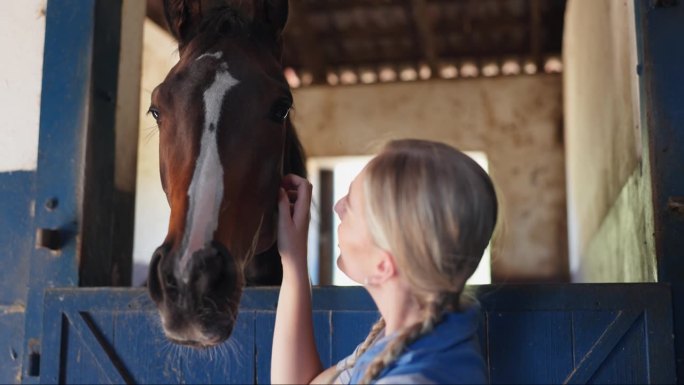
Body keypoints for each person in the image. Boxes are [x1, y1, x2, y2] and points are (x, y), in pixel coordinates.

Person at [271, 139, 498, 384]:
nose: (338, 207)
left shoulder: (409, 377)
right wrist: (294, 258)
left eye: (351, 206)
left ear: (382, 265)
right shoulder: (422, 338)